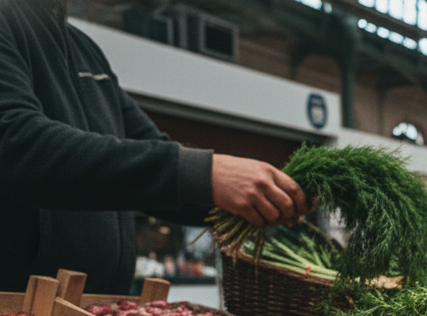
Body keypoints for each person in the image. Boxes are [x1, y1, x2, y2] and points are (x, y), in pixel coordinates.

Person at [0, 0, 314, 294]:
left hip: (97, 311)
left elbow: (150, 153)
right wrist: (205, 174)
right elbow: (17, 142)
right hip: (17, 314)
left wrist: (261, 194)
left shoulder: (85, 51)